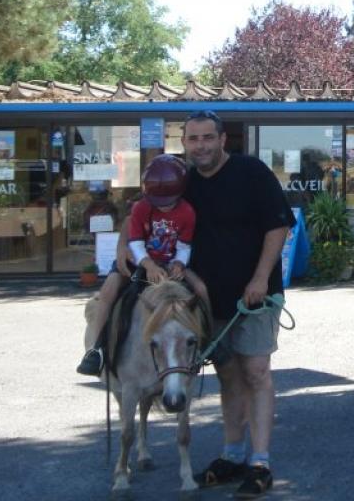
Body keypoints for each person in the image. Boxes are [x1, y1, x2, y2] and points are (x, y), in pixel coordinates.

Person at [181, 110, 294, 499]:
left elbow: (278, 225)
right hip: (207, 297)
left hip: (255, 295)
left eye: (208, 138)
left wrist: (261, 278)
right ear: (185, 143)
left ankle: (260, 462)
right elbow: (149, 216)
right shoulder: (183, 182)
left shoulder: (252, 173)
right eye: (193, 139)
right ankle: (231, 454)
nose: (201, 146)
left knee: (257, 371)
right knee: (228, 374)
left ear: (222, 139)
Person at [77, 154, 208, 376]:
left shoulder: (187, 212)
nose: (164, 207)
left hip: (170, 262)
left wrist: (178, 263)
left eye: (170, 201)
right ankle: (95, 349)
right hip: (137, 260)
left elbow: (185, 245)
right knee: (109, 290)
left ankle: (207, 344)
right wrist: (148, 265)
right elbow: (135, 242)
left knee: (201, 290)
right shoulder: (140, 208)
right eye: (158, 202)